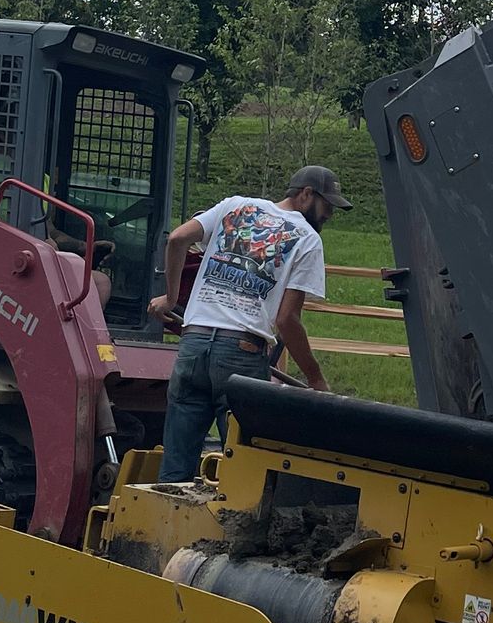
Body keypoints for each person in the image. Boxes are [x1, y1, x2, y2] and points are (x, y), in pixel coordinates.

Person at [149, 166, 352, 484]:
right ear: (306, 195)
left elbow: (177, 238)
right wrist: (316, 379)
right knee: (245, 472)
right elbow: (287, 320)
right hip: (241, 355)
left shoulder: (235, 205)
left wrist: (171, 299)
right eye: (328, 206)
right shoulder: (308, 240)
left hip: (193, 344)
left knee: (176, 469)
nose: (329, 214)